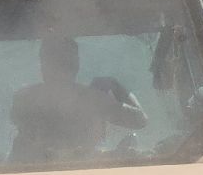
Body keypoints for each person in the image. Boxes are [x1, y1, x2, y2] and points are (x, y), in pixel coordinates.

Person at [10, 36, 147, 162]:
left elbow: (140, 121)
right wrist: (115, 86)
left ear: (42, 64)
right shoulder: (92, 99)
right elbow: (140, 120)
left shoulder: (24, 98)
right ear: (76, 65)